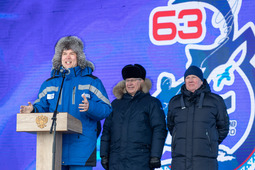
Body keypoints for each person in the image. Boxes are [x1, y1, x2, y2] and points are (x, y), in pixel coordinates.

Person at [20, 36, 112, 170]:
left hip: (82, 150)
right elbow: (41, 106)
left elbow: (106, 108)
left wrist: (90, 107)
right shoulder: (49, 84)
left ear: (79, 57)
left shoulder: (92, 82)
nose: (67, 57)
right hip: (54, 149)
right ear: (59, 57)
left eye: (72, 53)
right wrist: (32, 110)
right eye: (64, 54)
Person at [100, 64, 167, 170]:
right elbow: (107, 131)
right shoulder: (115, 104)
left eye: (133, 80)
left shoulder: (152, 103)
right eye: (127, 81)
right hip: (116, 161)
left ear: (141, 82)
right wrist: (104, 155)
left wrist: (155, 156)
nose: (130, 83)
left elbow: (159, 129)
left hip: (140, 161)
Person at [167, 65, 229, 170]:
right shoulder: (175, 102)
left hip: (206, 162)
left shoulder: (215, 101)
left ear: (201, 80)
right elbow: (171, 126)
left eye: (194, 77)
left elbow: (223, 127)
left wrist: (210, 141)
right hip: (180, 162)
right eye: (187, 78)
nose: (190, 80)